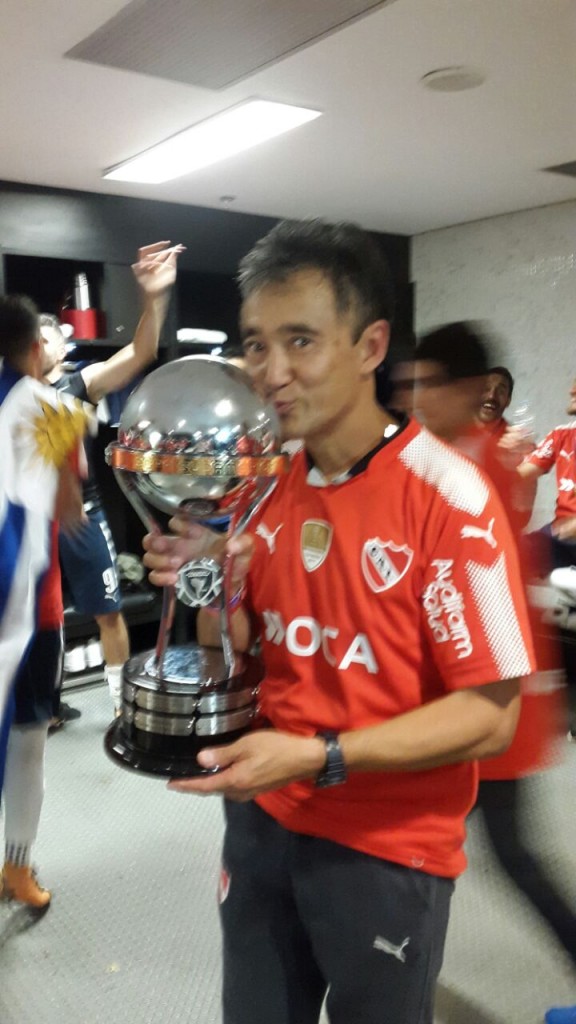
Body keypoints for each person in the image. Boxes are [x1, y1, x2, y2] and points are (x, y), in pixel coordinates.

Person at [143, 220, 535, 1024]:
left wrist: (319, 755)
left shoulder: (451, 498)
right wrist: (210, 588)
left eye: (300, 341)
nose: (273, 373)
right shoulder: (257, 486)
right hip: (261, 821)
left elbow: (493, 717)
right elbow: (244, 650)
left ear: (369, 346)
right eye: (256, 345)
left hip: (388, 849)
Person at [413, 322, 576, 973]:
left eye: (430, 384)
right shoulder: (474, 452)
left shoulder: (474, 462)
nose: (418, 397)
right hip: (483, 689)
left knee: (495, 851)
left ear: (474, 390)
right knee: (454, 843)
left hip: (489, 694)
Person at [42, 240, 183, 714]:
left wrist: (153, 297)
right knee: (39, 619)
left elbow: (142, 351)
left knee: (108, 610)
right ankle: (48, 702)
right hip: (28, 524)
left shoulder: (79, 384)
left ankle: (122, 702)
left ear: (62, 347)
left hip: (80, 517)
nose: (37, 344)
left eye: (47, 337)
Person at [0, 295, 90, 903]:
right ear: (37, 347)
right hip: (29, 606)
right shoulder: (56, 410)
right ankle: (17, 866)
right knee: (29, 738)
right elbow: (70, 511)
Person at [517, 377, 576, 570]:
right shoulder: (561, 435)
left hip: (566, 534)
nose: (572, 390)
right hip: (561, 537)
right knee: (503, 554)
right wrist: (503, 456)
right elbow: (516, 477)